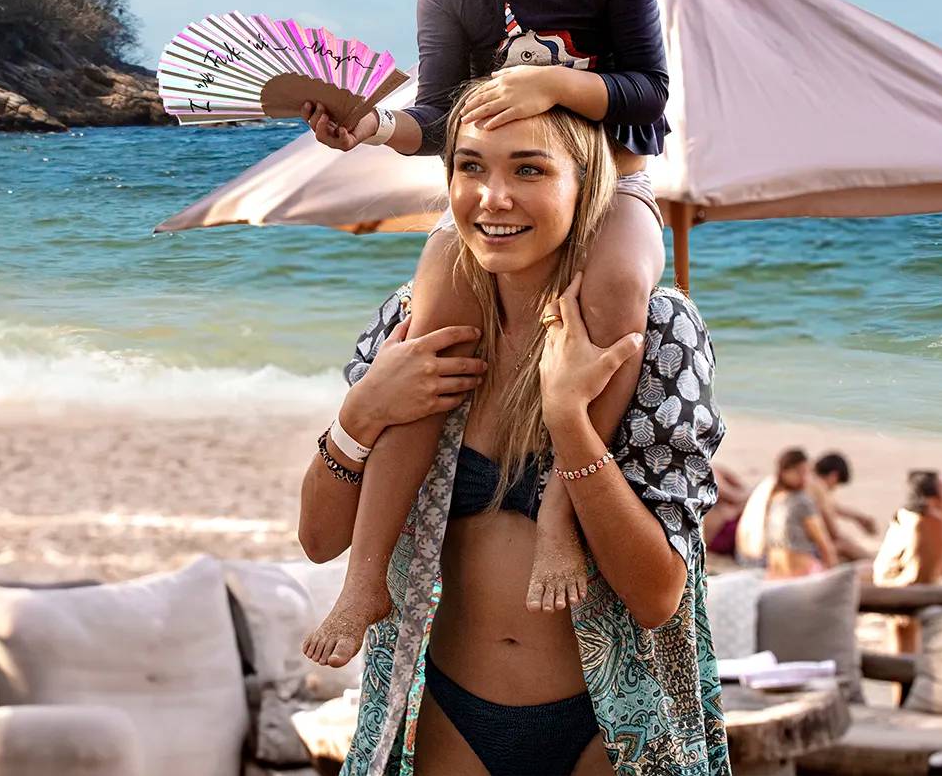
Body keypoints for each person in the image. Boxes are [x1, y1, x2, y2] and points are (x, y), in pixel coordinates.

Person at [302, 0, 669, 663]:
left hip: (612, 182)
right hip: (499, 195)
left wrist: (551, 83)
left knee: (620, 283)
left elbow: (649, 100)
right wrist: (372, 125)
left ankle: (557, 512)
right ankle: (367, 574)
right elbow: (435, 117)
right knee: (432, 324)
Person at [298, 89, 729, 776]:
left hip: (615, 722)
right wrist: (361, 415)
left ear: (585, 185)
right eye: (470, 167)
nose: (493, 197)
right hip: (438, 711)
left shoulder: (656, 332)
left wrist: (571, 423)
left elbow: (655, 596)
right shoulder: (417, 320)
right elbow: (320, 540)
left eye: (529, 170)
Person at [873, 470, 942, 652]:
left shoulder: (906, 515)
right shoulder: (929, 522)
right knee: (909, 654)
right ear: (933, 499)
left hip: (891, 587)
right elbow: (920, 576)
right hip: (908, 595)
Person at [763, 448, 838, 579]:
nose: (804, 478)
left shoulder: (774, 499)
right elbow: (824, 544)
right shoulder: (801, 501)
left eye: (806, 472)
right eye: (799, 472)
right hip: (802, 572)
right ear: (784, 472)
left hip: (777, 572)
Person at [808, 453, 877, 561]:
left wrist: (858, 518)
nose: (834, 489)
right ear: (833, 476)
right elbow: (833, 533)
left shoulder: (808, 481)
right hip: (802, 551)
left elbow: (834, 508)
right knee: (845, 547)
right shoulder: (818, 487)